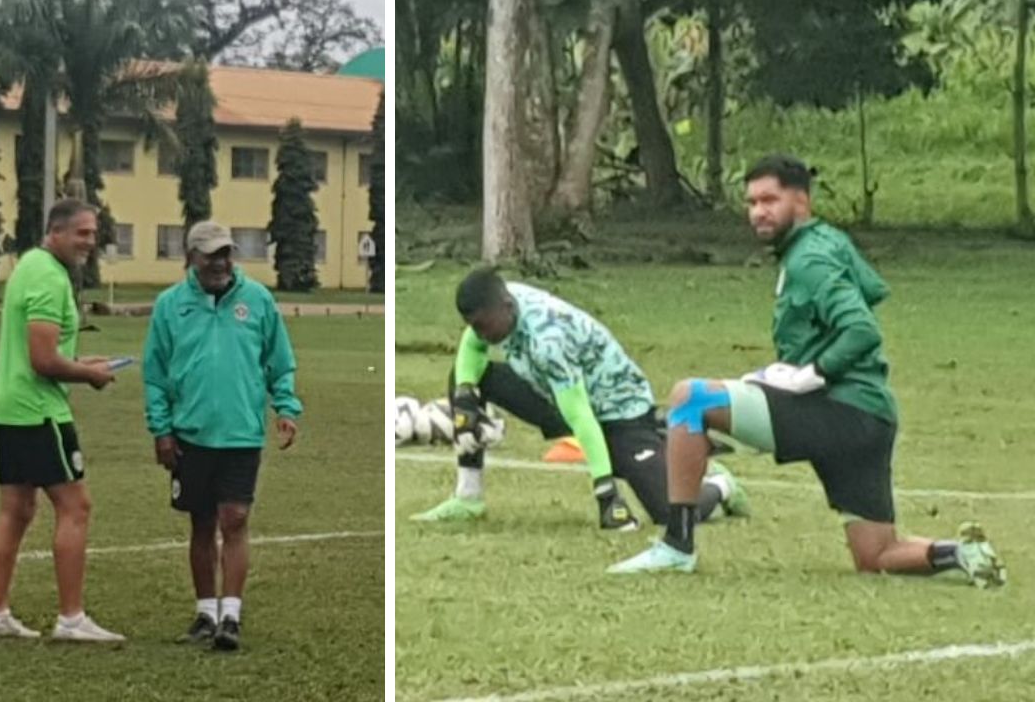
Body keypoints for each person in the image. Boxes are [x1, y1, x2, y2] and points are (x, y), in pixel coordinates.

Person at [608, 153, 1007, 587]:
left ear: (801, 202)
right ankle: (960, 553)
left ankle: (676, 546)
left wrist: (809, 374)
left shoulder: (809, 259)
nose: (758, 211)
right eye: (751, 202)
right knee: (875, 554)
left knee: (691, 399)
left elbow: (861, 329)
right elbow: (869, 291)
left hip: (836, 410)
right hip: (871, 419)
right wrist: (782, 373)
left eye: (769, 200)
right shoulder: (825, 243)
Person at [410, 268, 750, 531]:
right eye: (474, 326)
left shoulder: (549, 340)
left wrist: (606, 494)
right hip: (551, 393)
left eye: (484, 326)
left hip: (619, 412)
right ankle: (468, 498)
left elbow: (581, 416)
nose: (482, 335)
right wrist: (467, 399)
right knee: (463, 379)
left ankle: (720, 485)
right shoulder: (499, 305)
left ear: (507, 307)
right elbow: (472, 347)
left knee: (666, 510)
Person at [143, 221, 302, 651]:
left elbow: (279, 361)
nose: (221, 262)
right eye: (211, 254)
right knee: (202, 523)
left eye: (226, 253)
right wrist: (161, 430)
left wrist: (285, 406)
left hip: (241, 434)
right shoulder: (170, 306)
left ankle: (230, 615)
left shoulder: (257, 300)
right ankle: (205, 612)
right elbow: (155, 374)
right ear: (191, 258)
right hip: (190, 435)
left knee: (235, 518)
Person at [0, 199, 124, 641]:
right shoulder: (47, 274)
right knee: (75, 505)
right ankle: (71, 618)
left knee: (17, 509)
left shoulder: (30, 265)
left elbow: (40, 352)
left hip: (6, 406)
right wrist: (89, 375)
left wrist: (81, 360)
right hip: (36, 411)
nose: (90, 242)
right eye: (82, 233)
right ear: (55, 232)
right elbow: (42, 360)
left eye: (94, 234)